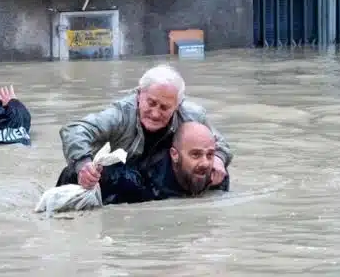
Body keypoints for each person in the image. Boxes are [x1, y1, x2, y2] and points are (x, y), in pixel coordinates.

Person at [57, 64, 233, 190]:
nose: (155, 114)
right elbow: (74, 130)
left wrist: (218, 158)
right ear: (139, 95)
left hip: (160, 175)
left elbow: (221, 144)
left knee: (218, 176)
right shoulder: (120, 114)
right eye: (151, 103)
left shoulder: (192, 115)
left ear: (177, 106)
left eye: (164, 108)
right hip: (125, 173)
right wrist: (84, 166)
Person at [93, 121, 230, 205]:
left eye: (210, 154)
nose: (205, 163)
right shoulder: (144, 183)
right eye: (196, 155)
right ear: (174, 155)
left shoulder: (217, 176)